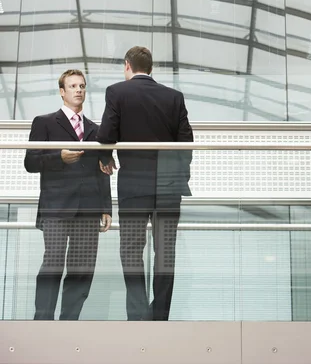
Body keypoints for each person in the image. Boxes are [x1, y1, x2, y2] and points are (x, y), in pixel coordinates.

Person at [96, 46, 193, 321]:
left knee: (130, 248)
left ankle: (138, 315)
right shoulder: (174, 97)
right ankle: (159, 315)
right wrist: (179, 178)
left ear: (128, 66)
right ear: (150, 68)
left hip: (133, 185)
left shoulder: (117, 92)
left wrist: (105, 157)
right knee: (165, 251)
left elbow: (106, 134)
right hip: (168, 186)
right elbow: (187, 144)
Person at [24, 69, 113, 320]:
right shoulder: (44, 122)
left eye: (82, 86)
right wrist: (58, 157)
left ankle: (69, 321)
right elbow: (30, 162)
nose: (78, 90)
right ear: (62, 92)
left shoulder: (96, 130)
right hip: (56, 206)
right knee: (52, 263)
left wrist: (106, 207)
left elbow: (103, 169)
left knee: (83, 268)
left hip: (89, 207)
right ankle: (42, 320)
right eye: (73, 86)